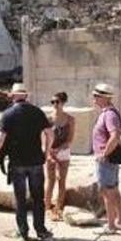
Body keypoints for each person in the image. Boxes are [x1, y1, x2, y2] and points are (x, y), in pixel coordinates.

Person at [0, 83, 54, 241]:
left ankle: (23, 232)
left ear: (12, 96)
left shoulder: (8, 114)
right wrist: (46, 152)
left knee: (20, 199)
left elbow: (0, 139)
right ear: (26, 96)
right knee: (38, 198)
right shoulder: (37, 112)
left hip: (17, 162)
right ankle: (40, 230)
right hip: (35, 161)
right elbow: (49, 133)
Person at [91, 83, 121, 234]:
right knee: (114, 189)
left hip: (106, 158)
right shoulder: (108, 112)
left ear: (104, 98)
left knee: (107, 191)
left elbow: (115, 135)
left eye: (96, 96)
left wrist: (104, 154)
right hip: (110, 158)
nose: (94, 99)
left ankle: (111, 225)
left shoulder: (109, 115)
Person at [45, 92, 75, 222]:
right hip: (50, 151)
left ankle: (58, 208)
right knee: (50, 180)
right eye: (52, 102)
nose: (55, 105)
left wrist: (59, 149)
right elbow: (44, 137)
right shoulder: (48, 119)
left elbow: (70, 139)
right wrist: (48, 151)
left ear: (63, 103)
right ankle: (47, 207)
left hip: (63, 151)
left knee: (61, 180)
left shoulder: (70, 119)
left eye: (57, 102)